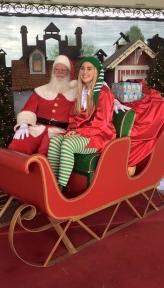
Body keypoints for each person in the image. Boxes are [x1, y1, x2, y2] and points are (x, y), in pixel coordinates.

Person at [47, 56, 116, 192]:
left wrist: (78, 132)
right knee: (55, 141)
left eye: (89, 69)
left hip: (99, 136)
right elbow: (74, 116)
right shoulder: (82, 92)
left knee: (68, 144)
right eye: (83, 68)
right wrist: (72, 130)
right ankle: (52, 185)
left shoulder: (104, 93)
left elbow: (102, 123)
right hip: (83, 132)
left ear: (96, 72)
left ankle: (61, 189)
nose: (85, 72)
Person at [8, 55, 78, 155]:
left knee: (45, 152)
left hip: (60, 132)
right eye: (57, 69)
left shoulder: (76, 93)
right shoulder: (41, 90)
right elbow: (28, 109)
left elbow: (80, 114)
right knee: (17, 146)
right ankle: (15, 170)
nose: (60, 73)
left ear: (70, 73)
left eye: (64, 70)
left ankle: (39, 171)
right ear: (53, 72)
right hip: (37, 128)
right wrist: (24, 124)